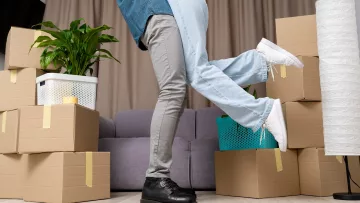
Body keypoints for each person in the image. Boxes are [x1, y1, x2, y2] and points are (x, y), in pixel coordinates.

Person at [117, 0, 303, 203]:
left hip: (160, 10)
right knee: (192, 75)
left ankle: (156, 178)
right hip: (168, 9)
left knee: (178, 85)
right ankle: (260, 61)